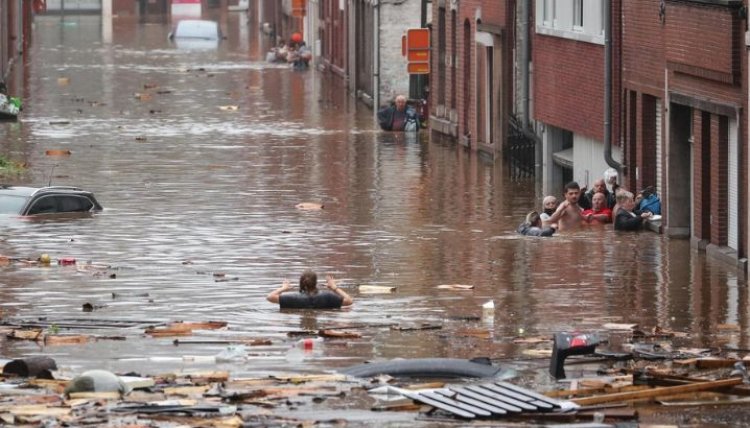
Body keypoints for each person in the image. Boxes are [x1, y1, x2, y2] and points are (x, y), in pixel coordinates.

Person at [267, 270, 353, 309]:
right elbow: (349, 301)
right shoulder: (329, 297)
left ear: (301, 283)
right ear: (315, 283)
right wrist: (334, 288)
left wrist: (283, 288)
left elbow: (270, 297)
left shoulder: (291, 298)